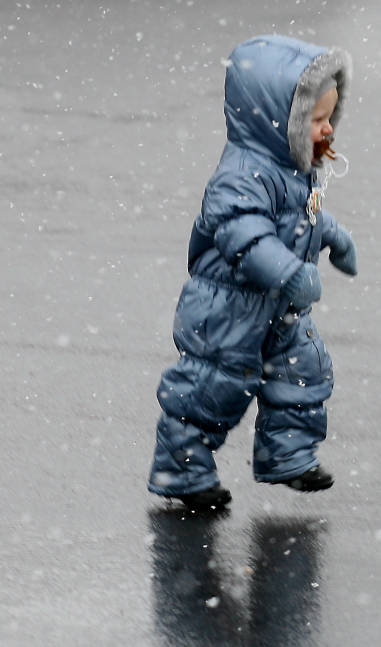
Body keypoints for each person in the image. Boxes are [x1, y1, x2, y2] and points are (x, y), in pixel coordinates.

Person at [146, 35, 356, 510]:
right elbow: (243, 233)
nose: (327, 131)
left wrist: (333, 236)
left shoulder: (298, 169)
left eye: (330, 118)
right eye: (317, 119)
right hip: (229, 305)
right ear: (279, 119)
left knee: (303, 371)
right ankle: (182, 469)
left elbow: (303, 216)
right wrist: (288, 273)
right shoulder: (240, 174)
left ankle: (289, 455)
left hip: (280, 307)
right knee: (213, 388)